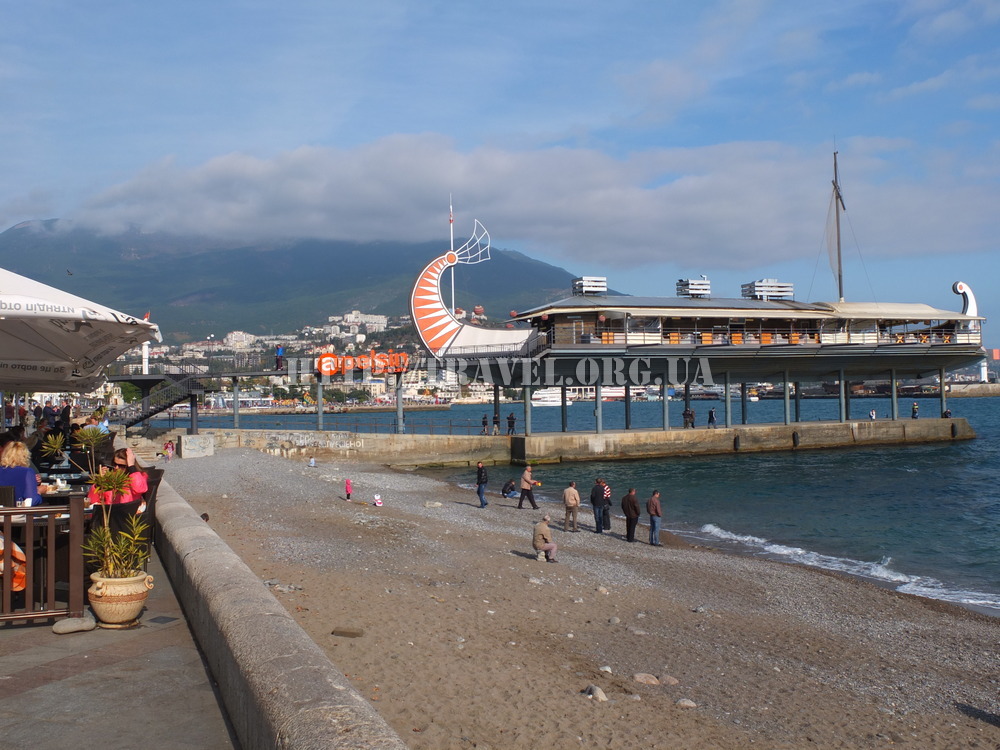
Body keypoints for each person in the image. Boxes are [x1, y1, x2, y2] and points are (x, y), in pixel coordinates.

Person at [0, 441, 43, 507]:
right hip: (18, 511)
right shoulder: (27, 471)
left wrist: (33, 482)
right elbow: (32, 500)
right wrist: (39, 492)